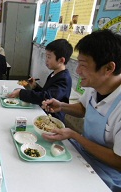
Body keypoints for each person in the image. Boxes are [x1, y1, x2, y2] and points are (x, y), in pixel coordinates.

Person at [41, 29, 121, 192]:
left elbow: (118, 160)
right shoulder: (95, 87)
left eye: (83, 65)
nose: (77, 71)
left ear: (108, 68)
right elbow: (84, 108)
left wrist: (75, 135)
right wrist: (61, 106)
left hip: (106, 175)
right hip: (82, 155)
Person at [8, 39, 73, 122]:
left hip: (52, 119)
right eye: (46, 56)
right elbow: (47, 92)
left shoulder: (64, 79)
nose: (46, 59)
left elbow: (46, 97)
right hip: (44, 112)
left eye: (49, 57)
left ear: (61, 60)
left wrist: (20, 92)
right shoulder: (54, 74)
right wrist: (35, 87)